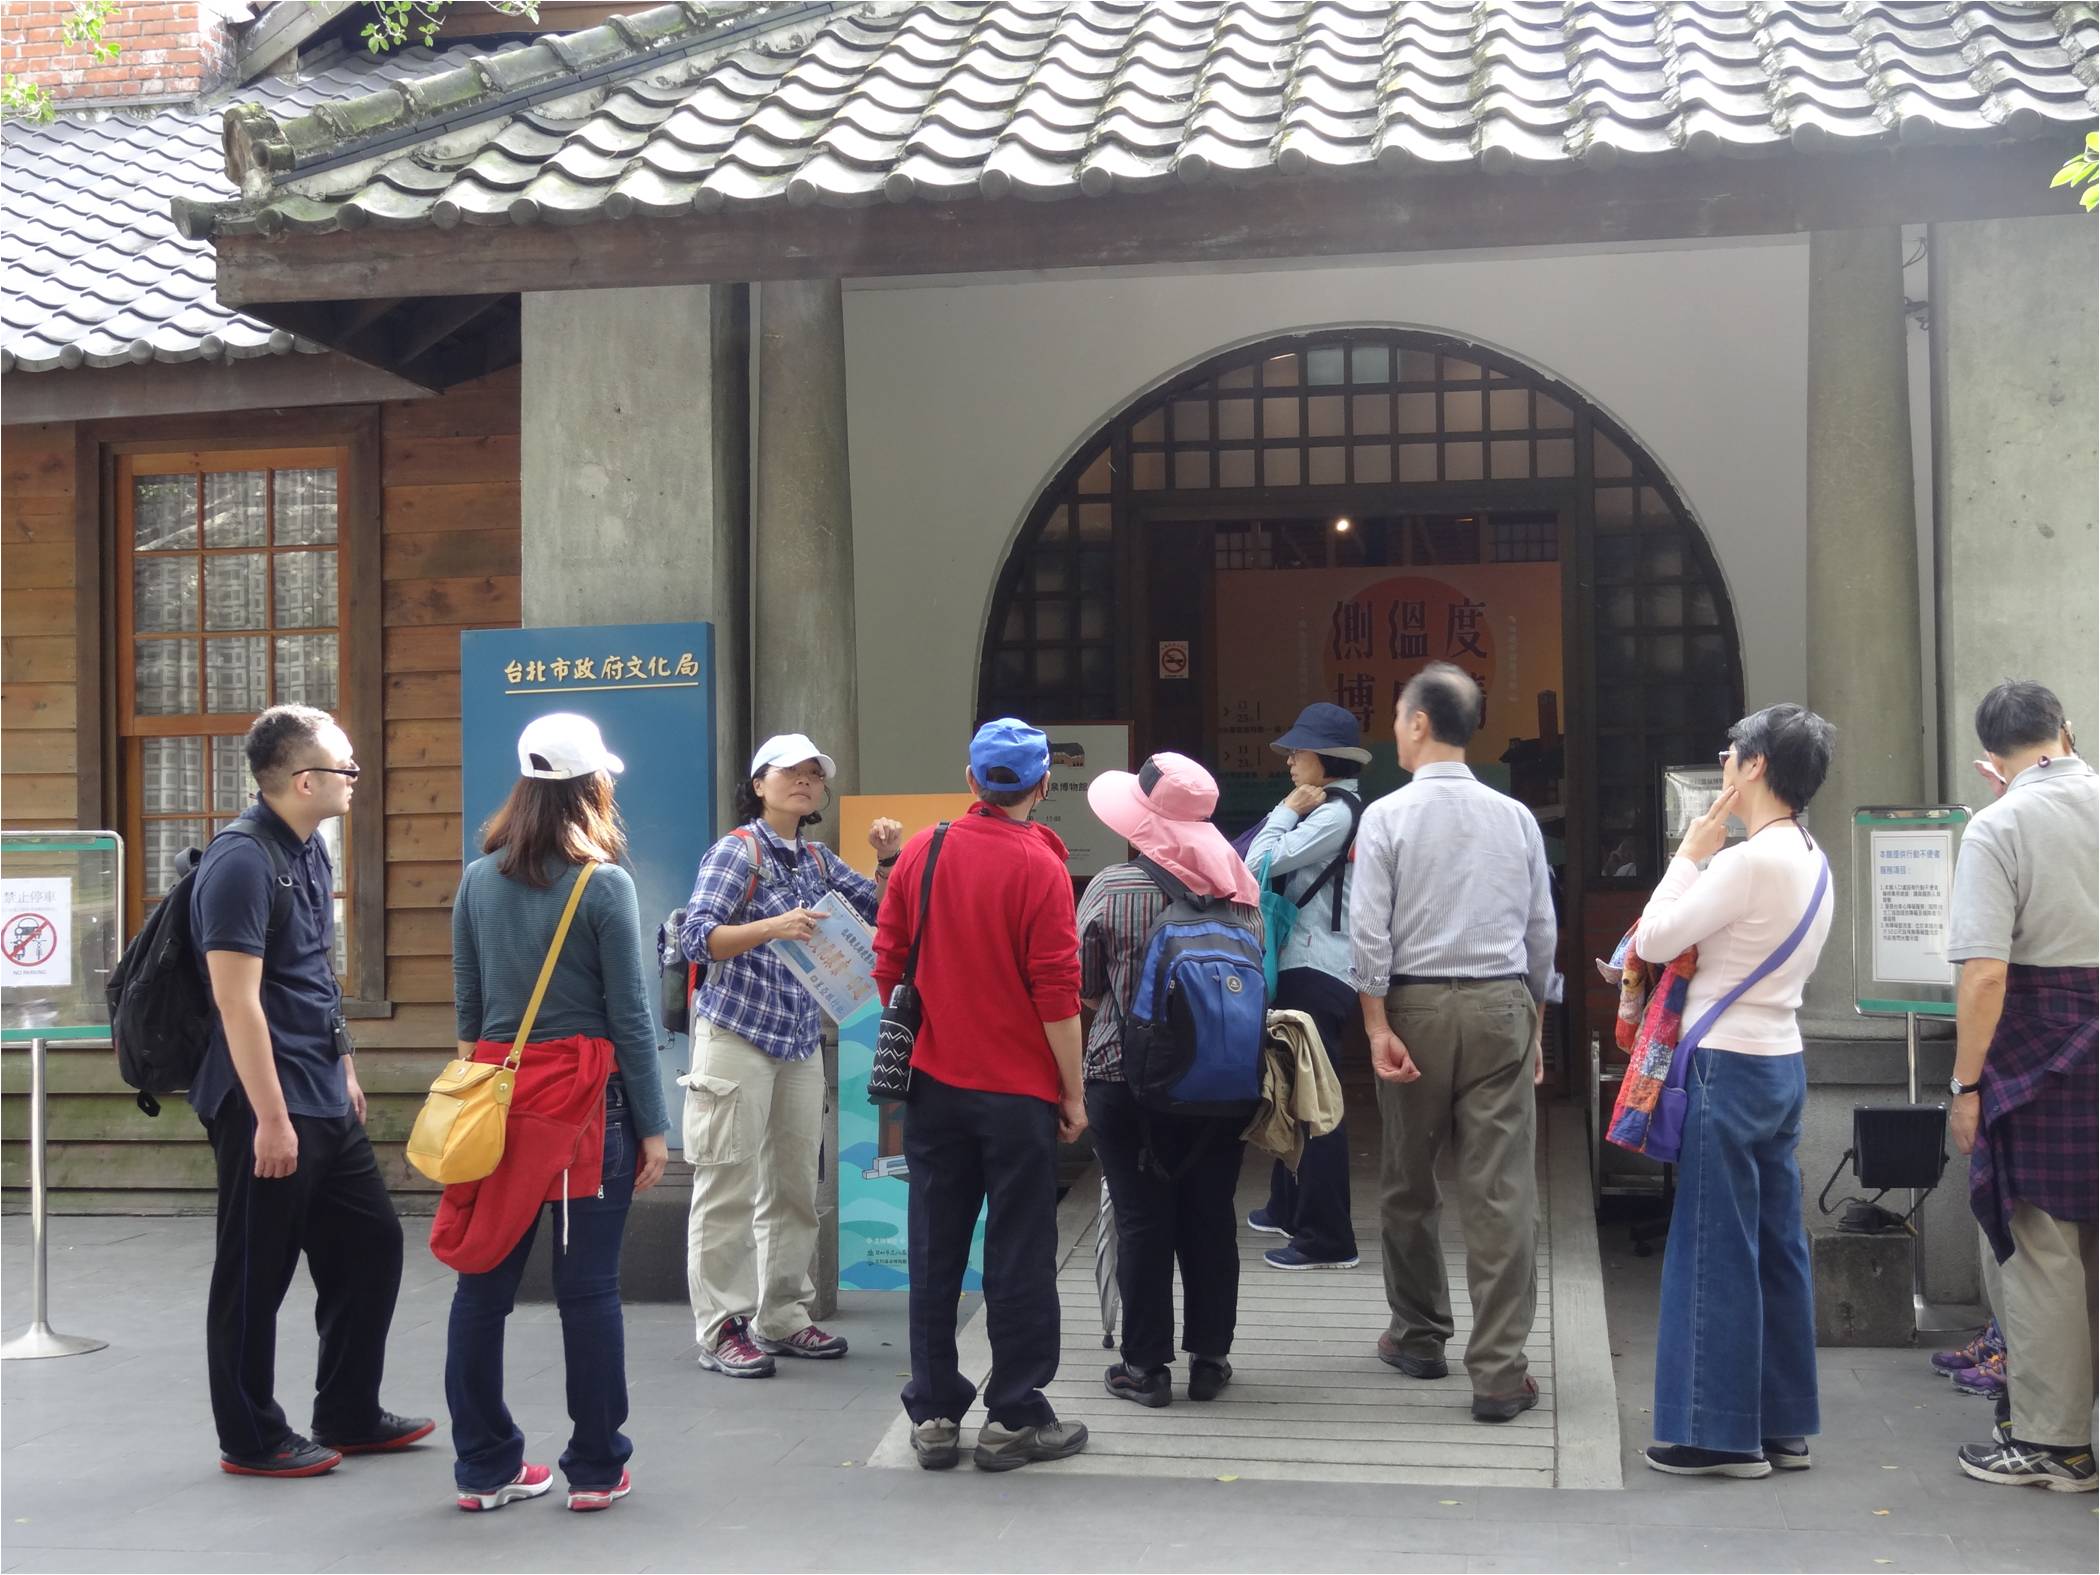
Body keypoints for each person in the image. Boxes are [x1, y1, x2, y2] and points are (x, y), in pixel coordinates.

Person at [441, 712, 672, 1513]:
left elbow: (469, 1011)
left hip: (499, 1109)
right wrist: (653, 1125)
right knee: (589, 1291)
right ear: (592, 786)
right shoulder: (602, 883)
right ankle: (597, 1467)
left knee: (481, 1289)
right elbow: (630, 1016)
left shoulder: (478, 879)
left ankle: (483, 1467)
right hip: (586, 1114)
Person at [190, 704, 427, 1477]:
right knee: (254, 1273)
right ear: (302, 779)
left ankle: (349, 1410)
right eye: (344, 765)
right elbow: (237, 1001)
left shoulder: (309, 850)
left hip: (321, 1090)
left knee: (371, 1244)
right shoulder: (240, 862)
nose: (355, 776)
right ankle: (251, 1436)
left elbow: (312, 974)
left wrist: (345, 1063)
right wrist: (270, 1116)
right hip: (264, 1102)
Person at [872, 719, 1089, 1472]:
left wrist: (934, 1027)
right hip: (1017, 1094)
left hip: (932, 1087)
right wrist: (1073, 1092)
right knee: (1019, 1251)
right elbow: (1057, 993)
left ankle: (934, 1413)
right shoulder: (1042, 866)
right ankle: (1014, 1416)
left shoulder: (922, 852)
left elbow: (889, 961)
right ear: (1043, 785)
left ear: (971, 781)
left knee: (934, 1245)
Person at [1349, 663, 1556, 1424]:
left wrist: (1376, 1024)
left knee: (1408, 1179)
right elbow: (1542, 931)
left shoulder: (1386, 816)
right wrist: (1534, 1020)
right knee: (1501, 1192)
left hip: (1415, 1005)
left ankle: (1418, 1335)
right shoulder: (1517, 817)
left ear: (1418, 722)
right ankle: (1499, 1373)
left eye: (1397, 718)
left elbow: (1368, 931)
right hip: (1503, 1001)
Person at [1634, 703, 1837, 1479]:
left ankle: (1717, 1435)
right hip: (1781, 1059)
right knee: (1776, 1246)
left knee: (1715, 1245)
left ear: (1756, 765)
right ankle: (1782, 1425)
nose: (1723, 761)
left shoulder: (1746, 861)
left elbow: (1655, 938)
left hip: (1725, 1062)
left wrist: (1687, 857)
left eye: (1731, 751)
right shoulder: (1812, 856)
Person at [678, 734, 901, 1377]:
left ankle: (781, 1315)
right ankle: (721, 1327)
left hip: (799, 1040)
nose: (804, 781)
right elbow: (696, 937)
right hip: (736, 1034)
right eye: (789, 772)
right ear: (759, 785)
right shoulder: (736, 851)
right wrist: (771, 928)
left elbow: (883, 910)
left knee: (795, 1185)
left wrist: (887, 858)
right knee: (726, 1186)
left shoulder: (818, 859)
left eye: (813, 774)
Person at [1945, 681, 2096, 1493]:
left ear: (1992, 756)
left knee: (2040, 1248)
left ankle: (2055, 1445)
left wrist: (1966, 1084)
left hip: (2043, 1045)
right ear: (2066, 731)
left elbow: (1984, 975)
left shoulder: (1999, 825)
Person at [1079, 752, 1261, 1406]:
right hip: (1222, 1082)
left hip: (1122, 1077)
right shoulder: (1240, 893)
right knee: (1210, 1215)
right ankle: (1210, 1359)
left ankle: (1145, 1367)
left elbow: (1085, 988)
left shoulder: (1112, 887)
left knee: (1141, 1216)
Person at [1244, 702, 1367, 1271]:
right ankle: (1288, 1207)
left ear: (1326, 759)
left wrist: (1283, 811)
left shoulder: (1335, 813)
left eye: (1299, 752)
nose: (1290, 761)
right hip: (1316, 964)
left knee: (1316, 1102)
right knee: (1297, 1087)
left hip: (1316, 967)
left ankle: (1327, 1237)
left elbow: (1259, 862)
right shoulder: (1335, 808)